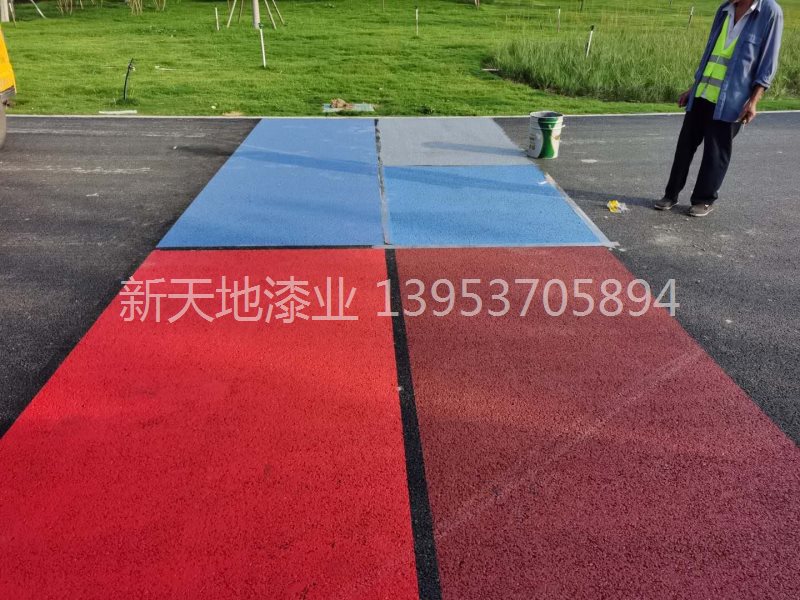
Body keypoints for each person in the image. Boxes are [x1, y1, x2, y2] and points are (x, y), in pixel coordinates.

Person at [656, 0, 783, 217]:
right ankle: (671, 194)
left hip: (732, 99)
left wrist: (753, 101)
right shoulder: (724, 9)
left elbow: (768, 61)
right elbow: (710, 52)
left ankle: (703, 200)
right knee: (685, 146)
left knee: (715, 153)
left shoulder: (770, 12)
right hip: (703, 91)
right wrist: (693, 88)